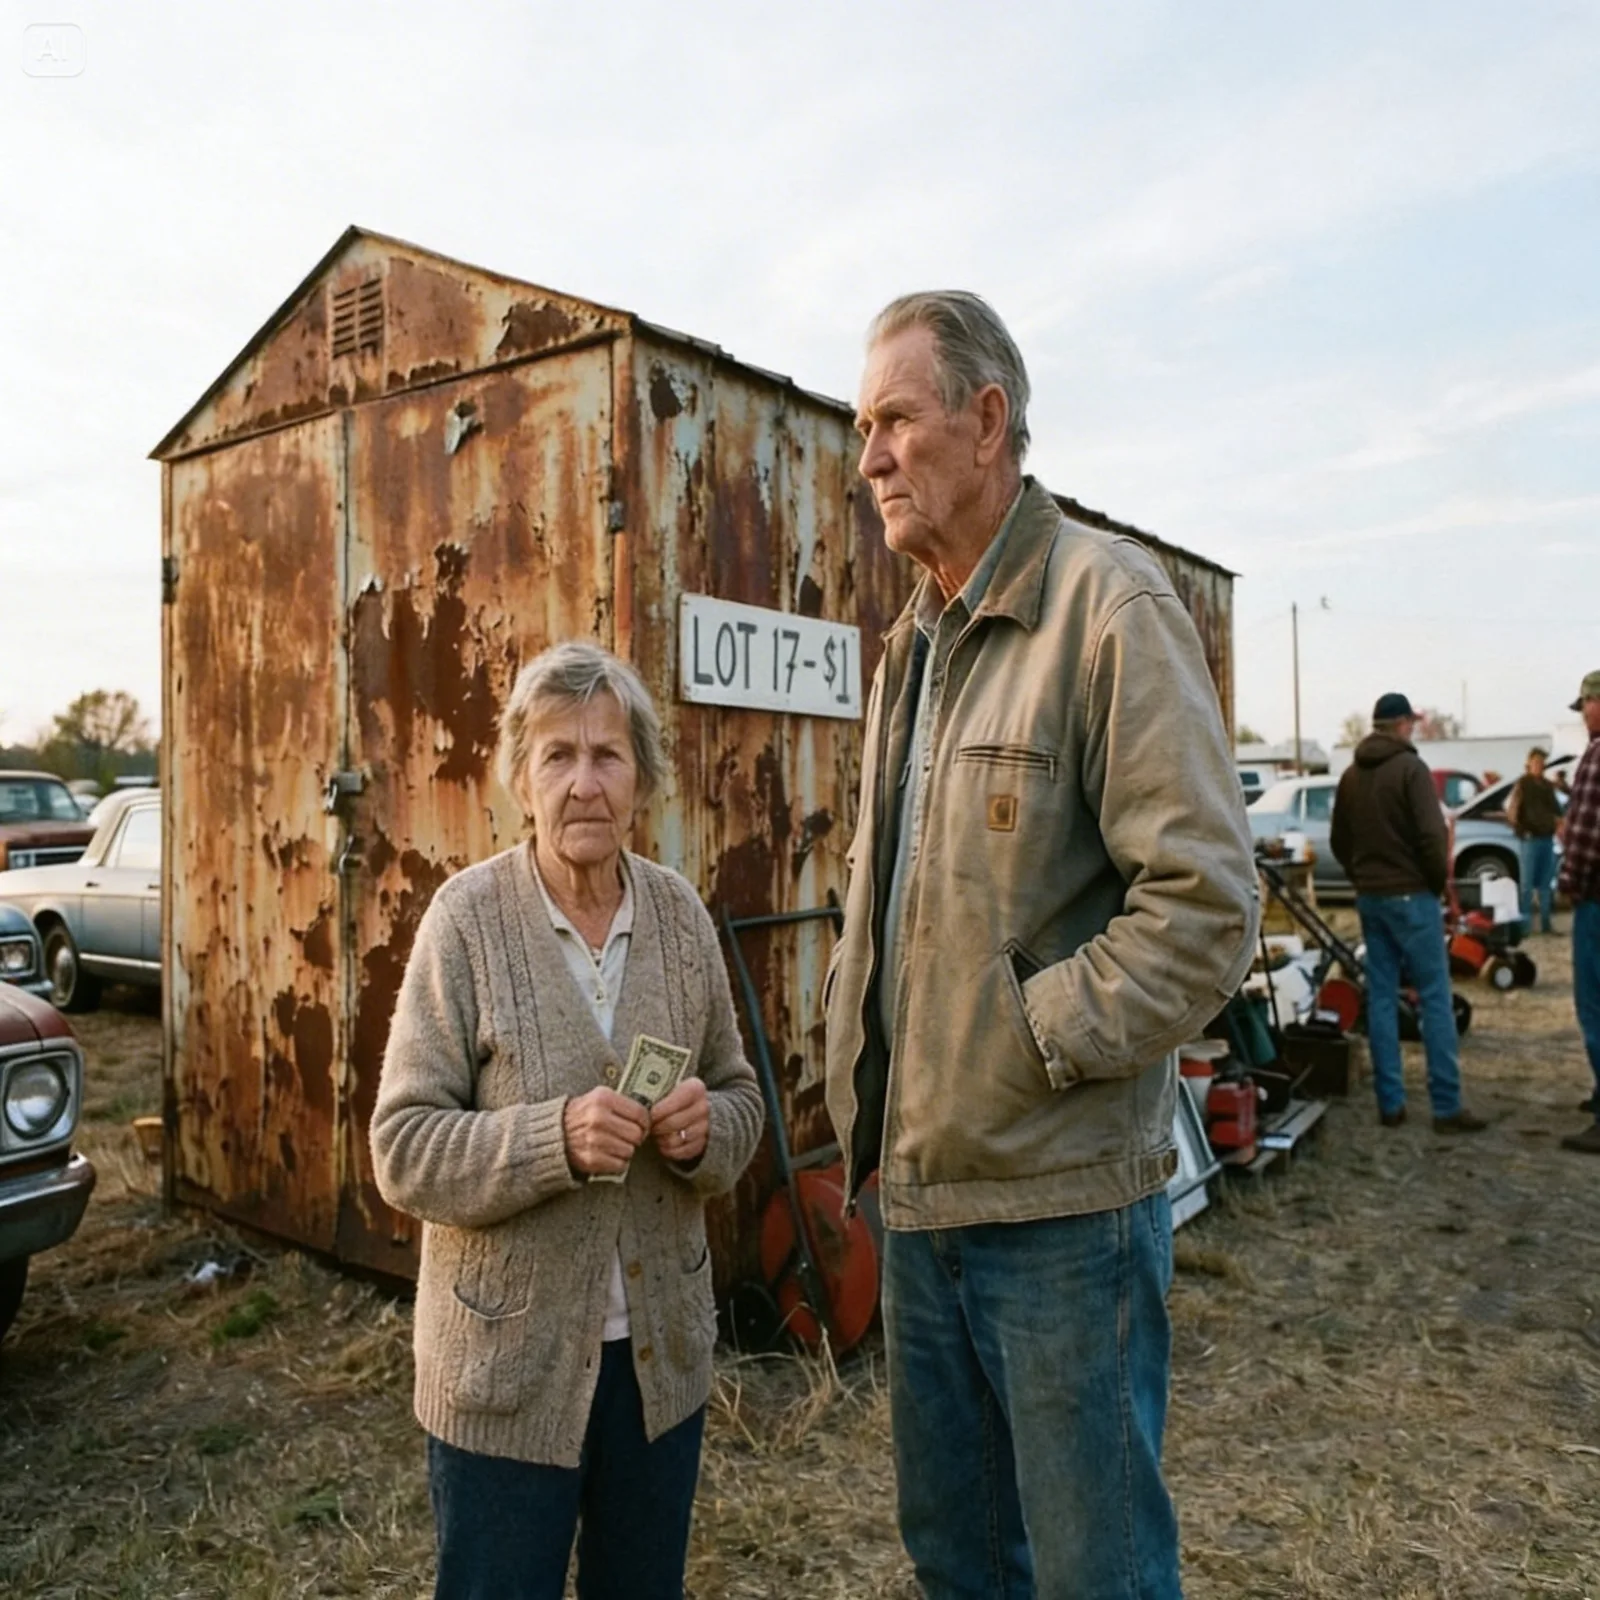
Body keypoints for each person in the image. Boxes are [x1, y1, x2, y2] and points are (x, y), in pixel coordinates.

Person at [824, 291, 1260, 1599]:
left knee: (1093, 1573)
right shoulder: (911, 647)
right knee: (958, 1561)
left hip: (1061, 1217)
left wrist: (1033, 1035)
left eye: (893, 419)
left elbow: (1205, 905)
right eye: (860, 427)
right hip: (919, 1203)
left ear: (986, 418)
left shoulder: (1106, 607)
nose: (869, 457)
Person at [371, 641, 763, 1600]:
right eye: (558, 755)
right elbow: (403, 1147)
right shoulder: (465, 922)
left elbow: (741, 1096)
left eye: (608, 755)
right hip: (506, 1379)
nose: (585, 783)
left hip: (657, 1375)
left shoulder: (680, 917)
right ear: (522, 778)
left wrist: (707, 1131)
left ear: (642, 780)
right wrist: (552, 1140)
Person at [1329, 692, 1486, 1134]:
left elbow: (1340, 840)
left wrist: (1363, 876)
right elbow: (1432, 837)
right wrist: (1434, 885)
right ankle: (1446, 1107)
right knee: (1435, 997)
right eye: (1411, 723)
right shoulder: (1411, 770)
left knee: (1381, 998)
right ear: (1401, 724)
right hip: (1412, 897)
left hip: (1372, 898)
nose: (1414, 729)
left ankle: (1391, 1104)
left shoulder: (1351, 776)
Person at [1558, 670, 1600, 1155]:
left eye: (1586, 704)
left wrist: (1568, 880)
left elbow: (1586, 833)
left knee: (1594, 1004)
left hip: (1596, 898)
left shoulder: (1596, 755)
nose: (1584, 714)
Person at [1507, 747, 1562, 934]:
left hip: (1547, 838)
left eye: (1542, 762)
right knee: (1526, 885)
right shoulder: (1523, 784)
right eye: (1536, 762)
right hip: (1529, 839)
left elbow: (1557, 810)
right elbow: (1513, 810)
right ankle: (1525, 926)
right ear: (1529, 763)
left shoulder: (1547, 786)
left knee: (1546, 884)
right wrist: (1521, 831)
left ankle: (1546, 924)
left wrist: (1559, 824)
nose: (1539, 765)